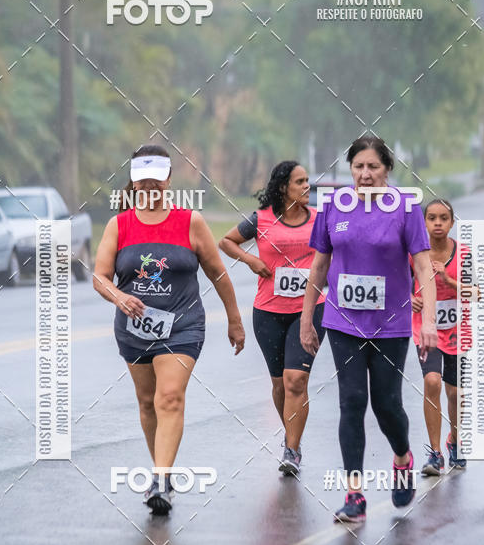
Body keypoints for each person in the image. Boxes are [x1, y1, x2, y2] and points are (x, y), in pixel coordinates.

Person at [93, 144, 245, 515]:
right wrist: (119, 297)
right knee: (148, 402)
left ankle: (159, 481)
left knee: (170, 397)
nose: (150, 187)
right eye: (142, 181)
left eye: (157, 181)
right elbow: (100, 277)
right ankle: (164, 470)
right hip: (133, 328)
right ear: (132, 182)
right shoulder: (120, 224)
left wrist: (235, 318)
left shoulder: (189, 222)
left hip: (182, 326)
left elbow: (217, 272)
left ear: (169, 181)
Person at [300, 136, 437, 522]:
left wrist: (427, 324)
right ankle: (354, 494)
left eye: (372, 167)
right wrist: (307, 320)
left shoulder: (406, 208)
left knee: (387, 404)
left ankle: (402, 457)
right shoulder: (333, 206)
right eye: (358, 167)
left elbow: (424, 267)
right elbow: (319, 267)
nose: (365, 174)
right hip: (343, 322)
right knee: (352, 401)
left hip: (391, 324)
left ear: (387, 169)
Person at [219, 161, 326, 476]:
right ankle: (292, 437)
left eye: (308, 181)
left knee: (296, 380)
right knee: (280, 385)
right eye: (300, 181)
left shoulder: (320, 220)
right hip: (268, 311)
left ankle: (291, 450)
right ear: (283, 188)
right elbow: (226, 241)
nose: (307, 186)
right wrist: (251, 259)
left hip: (309, 310)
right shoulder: (261, 219)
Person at [411, 199, 471, 474]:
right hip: (426, 328)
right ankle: (435, 453)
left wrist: (448, 281)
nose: (437, 223)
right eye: (432, 218)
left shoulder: (465, 253)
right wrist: (409, 298)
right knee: (432, 382)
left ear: (452, 222)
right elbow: (398, 284)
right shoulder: (414, 253)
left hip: (458, 331)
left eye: (443, 218)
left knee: (455, 392)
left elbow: (479, 293)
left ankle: (454, 440)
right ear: (423, 223)